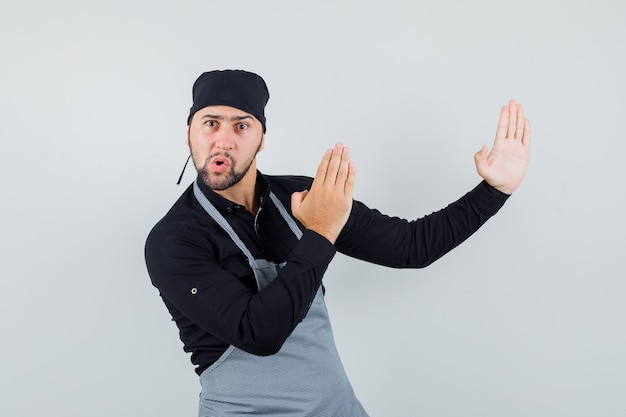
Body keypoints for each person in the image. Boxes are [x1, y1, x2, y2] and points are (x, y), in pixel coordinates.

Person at [144, 69, 531, 416]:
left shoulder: (302, 197)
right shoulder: (174, 240)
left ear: (262, 139)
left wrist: (495, 190)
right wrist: (321, 232)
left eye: (242, 126)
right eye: (210, 123)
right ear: (189, 134)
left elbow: (412, 247)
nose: (223, 141)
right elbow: (259, 333)